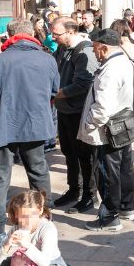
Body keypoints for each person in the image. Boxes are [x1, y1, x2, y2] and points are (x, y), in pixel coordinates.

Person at [0, 19, 58, 248]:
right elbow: (54, 90)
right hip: (36, 124)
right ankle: (44, 220)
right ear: (31, 34)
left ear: (9, 35)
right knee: (38, 171)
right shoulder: (48, 59)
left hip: (5, 125)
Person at [78, 28, 134, 231]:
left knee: (108, 172)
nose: (94, 54)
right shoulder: (126, 63)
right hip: (125, 123)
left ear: (104, 48)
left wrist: (89, 124)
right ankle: (126, 206)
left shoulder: (110, 69)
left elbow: (102, 106)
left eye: (95, 49)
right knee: (124, 167)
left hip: (108, 128)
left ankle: (109, 217)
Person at [50, 17, 99, 214]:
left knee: (84, 155)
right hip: (64, 109)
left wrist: (58, 93)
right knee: (69, 153)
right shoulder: (62, 49)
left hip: (78, 111)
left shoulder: (85, 51)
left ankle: (89, 194)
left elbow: (84, 82)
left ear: (71, 32)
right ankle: (74, 189)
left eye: (57, 34)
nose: (53, 37)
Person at [0, 190, 70, 266]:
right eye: (20, 217)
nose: (23, 221)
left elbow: (45, 262)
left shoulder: (48, 229)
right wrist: (6, 246)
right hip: (22, 264)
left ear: (40, 210)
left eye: (28, 216)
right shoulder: (16, 227)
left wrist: (27, 245)